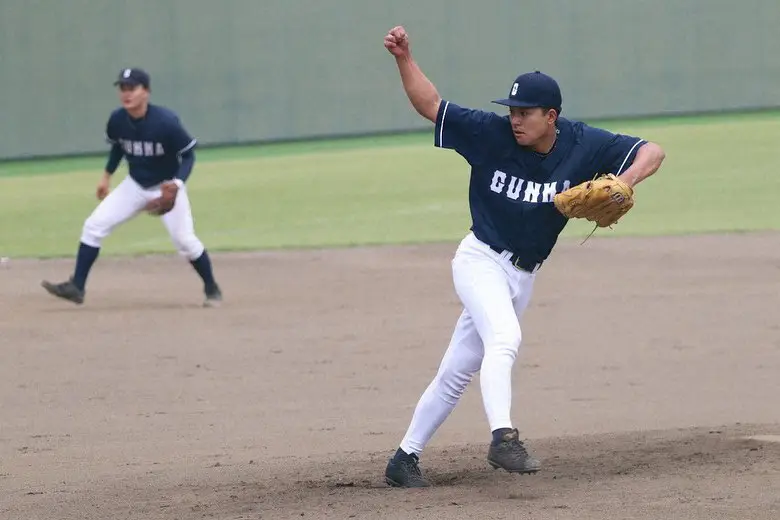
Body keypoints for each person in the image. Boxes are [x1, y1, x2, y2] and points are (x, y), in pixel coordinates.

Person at [381, 26, 666, 488]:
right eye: (512, 110)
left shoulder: (584, 143)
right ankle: (503, 438)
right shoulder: (489, 134)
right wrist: (404, 58)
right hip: (480, 260)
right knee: (505, 338)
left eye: (525, 112)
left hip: (522, 276)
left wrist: (627, 180)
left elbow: (653, 151)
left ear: (551, 116)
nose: (515, 119)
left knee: (457, 371)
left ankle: (404, 458)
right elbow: (431, 105)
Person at [41, 68, 223, 307]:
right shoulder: (117, 119)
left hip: (166, 186)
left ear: (145, 92)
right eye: (123, 89)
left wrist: (177, 184)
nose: (126, 94)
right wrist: (106, 176)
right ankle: (77, 286)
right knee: (94, 226)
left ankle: (211, 288)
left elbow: (188, 155)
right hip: (135, 185)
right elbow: (118, 147)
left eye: (132, 88)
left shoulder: (166, 122)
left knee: (184, 240)